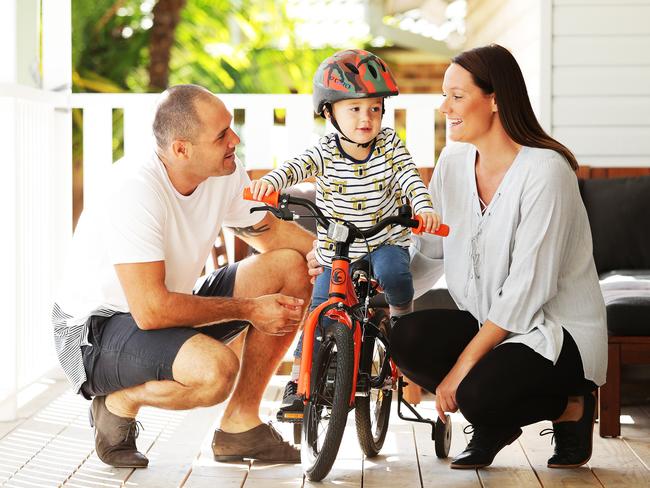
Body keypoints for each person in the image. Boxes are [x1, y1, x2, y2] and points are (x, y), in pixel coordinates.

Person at [309, 44, 607, 470]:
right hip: (489, 321)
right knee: (404, 338)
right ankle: (494, 414)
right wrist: (365, 284)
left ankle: (570, 407)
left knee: (472, 392)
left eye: (456, 95)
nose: (443, 105)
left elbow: (528, 291)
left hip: (556, 332)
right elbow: (430, 253)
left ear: (495, 99)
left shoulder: (546, 171)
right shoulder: (454, 161)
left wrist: (460, 370)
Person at [52, 84, 315, 467]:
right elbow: (152, 312)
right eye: (222, 135)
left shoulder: (222, 171)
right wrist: (249, 310)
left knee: (291, 265)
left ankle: (240, 426)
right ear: (181, 149)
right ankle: (118, 402)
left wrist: (342, 256)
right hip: (93, 330)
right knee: (215, 371)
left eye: (231, 128)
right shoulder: (134, 188)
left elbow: (271, 232)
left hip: (160, 308)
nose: (234, 140)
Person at [248, 49, 440, 413]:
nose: (366, 118)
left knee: (395, 275)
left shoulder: (390, 146)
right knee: (320, 309)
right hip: (337, 247)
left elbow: (410, 179)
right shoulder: (325, 150)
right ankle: (298, 383)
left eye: (374, 109)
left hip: (383, 238)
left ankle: (399, 327)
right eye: (354, 109)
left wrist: (423, 207)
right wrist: (270, 182)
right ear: (329, 112)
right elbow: (294, 167)